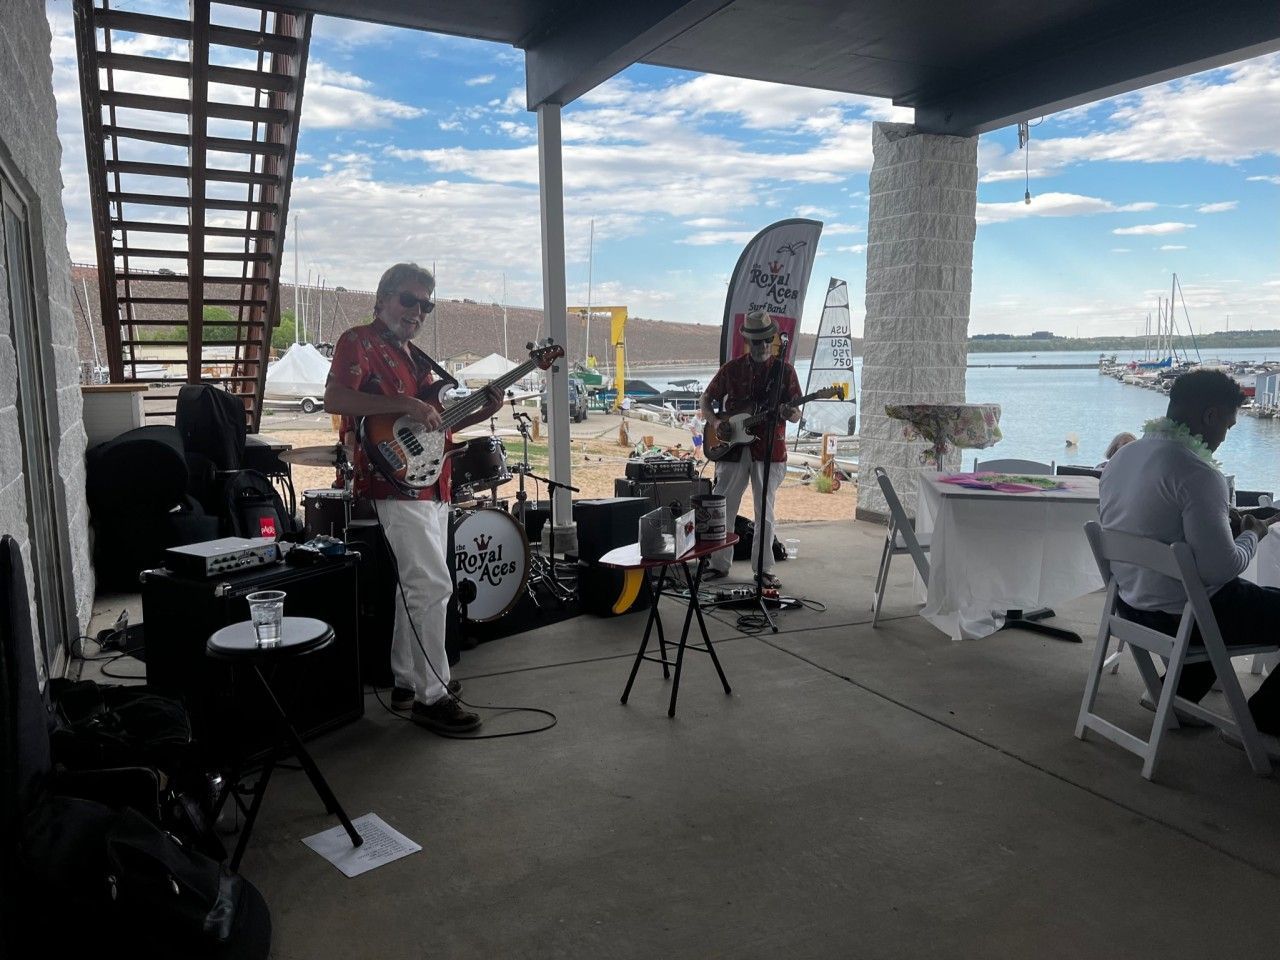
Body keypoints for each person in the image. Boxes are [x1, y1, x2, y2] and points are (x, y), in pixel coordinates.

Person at [324, 262, 503, 734]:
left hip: (432, 480)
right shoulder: (357, 341)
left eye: (426, 305)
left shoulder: (416, 357)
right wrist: (406, 404)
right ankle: (432, 695)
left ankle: (408, 679)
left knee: (415, 587)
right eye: (409, 300)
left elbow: (431, 429)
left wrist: (475, 411)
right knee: (433, 584)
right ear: (382, 297)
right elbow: (336, 398)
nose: (417, 311)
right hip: (394, 482)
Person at [1098, 369, 1280, 751]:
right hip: (1187, 618)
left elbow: (1160, 527)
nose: (1224, 437)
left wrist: (1221, 523)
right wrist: (1252, 534)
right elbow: (1221, 568)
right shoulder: (1199, 473)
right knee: (1233, 597)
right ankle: (1265, 723)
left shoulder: (1122, 458)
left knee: (1235, 597)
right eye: (1228, 426)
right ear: (1210, 416)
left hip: (1131, 607)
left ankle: (1171, 696)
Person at [700, 310, 801, 588]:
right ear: (748, 342)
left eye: (767, 340)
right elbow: (706, 399)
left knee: (764, 510)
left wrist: (789, 413)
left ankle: (764, 568)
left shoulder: (785, 371)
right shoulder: (732, 369)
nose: (762, 346)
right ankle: (718, 564)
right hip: (731, 449)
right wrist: (716, 421)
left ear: (772, 339)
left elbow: (796, 413)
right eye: (756, 341)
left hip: (768, 450)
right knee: (723, 507)